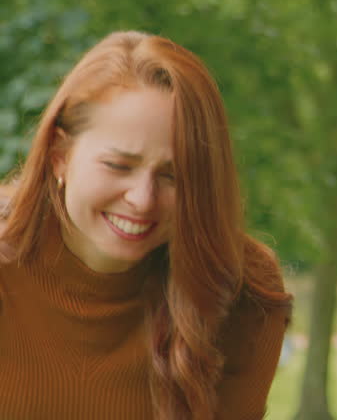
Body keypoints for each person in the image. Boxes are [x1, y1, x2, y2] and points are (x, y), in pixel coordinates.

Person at [0, 31, 291, 420]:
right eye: (119, 166)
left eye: (174, 175)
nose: (143, 199)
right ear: (59, 155)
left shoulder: (242, 288)